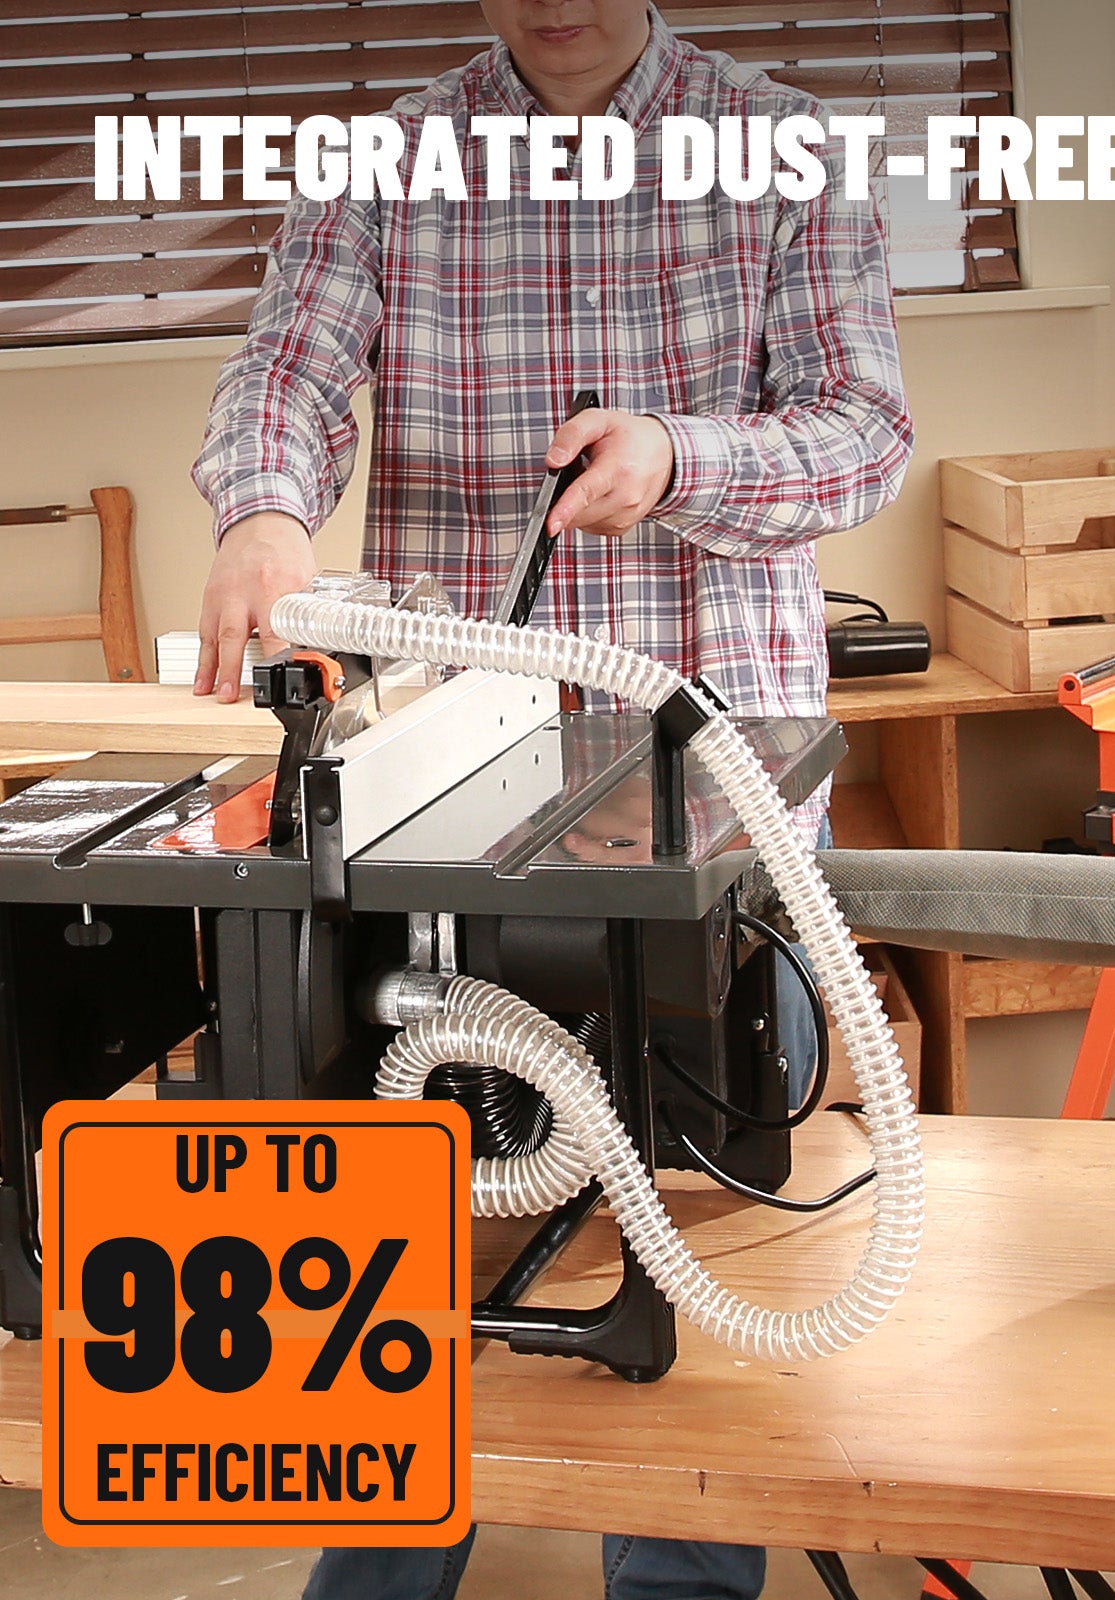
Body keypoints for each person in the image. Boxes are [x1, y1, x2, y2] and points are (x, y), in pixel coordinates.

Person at [189, 2, 912, 1596]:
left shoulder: (784, 142)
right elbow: (284, 374)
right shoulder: (386, 161)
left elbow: (867, 437)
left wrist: (679, 454)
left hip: (711, 803)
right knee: (401, 1220)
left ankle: (682, 1573)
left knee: (699, 1233)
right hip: (453, 807)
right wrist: (263, 515)